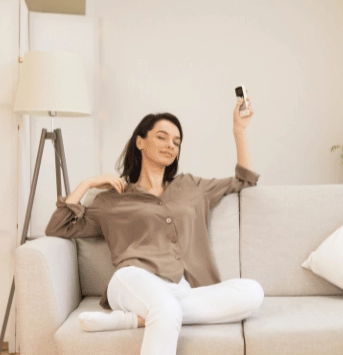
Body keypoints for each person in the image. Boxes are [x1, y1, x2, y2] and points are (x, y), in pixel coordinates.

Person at [45, 96, 263, 355]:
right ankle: (142, 313)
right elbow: (59, 227)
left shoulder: (192, 186)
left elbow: (244, 180)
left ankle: (130, 319)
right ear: (140, 142)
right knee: (166, 308)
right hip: (132, 279)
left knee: (252, 292)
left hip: (182, 286)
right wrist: (87, 184)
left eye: (176, 142)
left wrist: (239, 131)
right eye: (162, 137)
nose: (171, 145)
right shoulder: (112, 199)